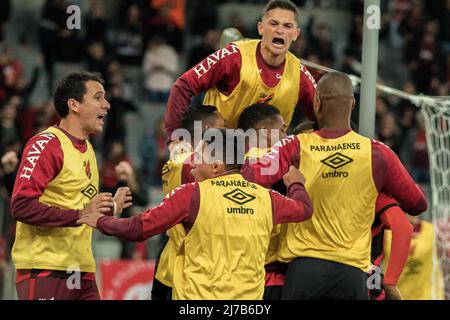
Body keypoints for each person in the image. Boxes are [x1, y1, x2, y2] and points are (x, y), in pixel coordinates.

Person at [242, 72, 428, 300]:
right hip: (352, 274)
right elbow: (418, 204)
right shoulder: (379, 154)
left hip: (304, 270)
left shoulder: (296, 144)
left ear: (317, 102)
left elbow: (252, 175)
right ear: (353, 103)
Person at [77, 128, 313, 300]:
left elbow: (139, 228)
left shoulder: (192, 194)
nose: (192, 164)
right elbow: (304, 209)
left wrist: (101, 221)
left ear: (216, 166)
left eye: (199, 158)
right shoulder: (266, 198)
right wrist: (295, 184)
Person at [10, 72, 130, 300]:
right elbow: (21, 206)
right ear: (74, 104)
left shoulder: (89, 149)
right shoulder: (47, 144)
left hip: (81, 270)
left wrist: (110, 208)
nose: (107, 104)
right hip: (45, 269)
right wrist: (81, 213)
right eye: (98, 97)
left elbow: (78, 208)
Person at [164, 0, 317, 140]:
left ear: (296, 34)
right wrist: (176, 138)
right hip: (219, 155)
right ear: (261, 28)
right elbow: (183, 86)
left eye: (287, 26)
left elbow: (322, 116)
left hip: (268, 162)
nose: (280, 31)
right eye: (273, 23)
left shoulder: (300, 74)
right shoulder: (234, 57)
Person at [152, 104, 225, 300]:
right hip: (184, 271)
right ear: (210, 132)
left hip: (172, 261)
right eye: (223, 129)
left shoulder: (179, 156)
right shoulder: (189, 162)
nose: (227, 135)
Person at [238, 103, 287, 300]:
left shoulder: (228, 161)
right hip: (270, 272)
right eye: (282, 130)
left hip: (233, 272)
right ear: (264, 132)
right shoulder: (273, 162)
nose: (286, 136)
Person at [383, 215, 445, 300]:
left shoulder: (434, 230)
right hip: (398, 295)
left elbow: (445, 255)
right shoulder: (387, 232)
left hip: (428, 296)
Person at [369, 193, 413, 300]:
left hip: (324, 267)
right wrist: (390, 282)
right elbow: (404, 228)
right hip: (366, 275)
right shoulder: (374, 195)